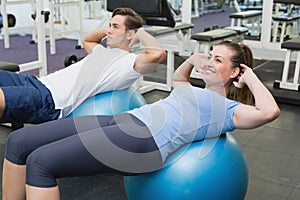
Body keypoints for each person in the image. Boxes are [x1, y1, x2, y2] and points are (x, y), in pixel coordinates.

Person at [2, 41, 280, 199]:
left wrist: (250, 77)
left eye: (217, 60)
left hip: (144, 142)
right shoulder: (192, 91)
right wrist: (195, 60)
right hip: (125, 120)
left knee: (41, 162)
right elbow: (177, 79)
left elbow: (269, 112)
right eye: (209, 55)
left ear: (235, 72)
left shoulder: (226, 109)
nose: (209, 62)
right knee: (18, 140)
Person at [0, 7, 166, 125]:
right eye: (109, 25)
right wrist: (111, 27)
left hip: (49, 101)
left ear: (130, 34)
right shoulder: (101, 51)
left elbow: (158, 54)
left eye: (115, 27)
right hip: (36, 82)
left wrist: (139, 31)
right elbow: (87, 39)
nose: (108, 31)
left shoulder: (129, 62)